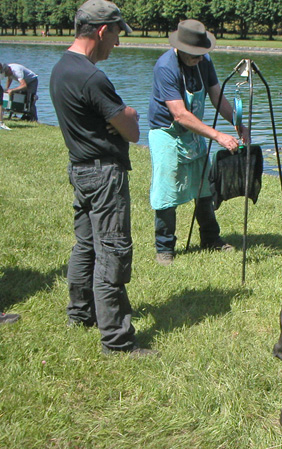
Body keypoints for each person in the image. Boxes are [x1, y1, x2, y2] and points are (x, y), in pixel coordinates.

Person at [50, 0, 155, 356]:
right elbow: (132, 132)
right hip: (103, 173)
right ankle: (117, 340)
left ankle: (80, 313)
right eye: (116, 34)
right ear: (100, 31)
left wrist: (120, 114)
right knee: (112, 250)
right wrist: (127, 114)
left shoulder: (62, 68)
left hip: (79, 169)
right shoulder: (92, 77)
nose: (118, 43)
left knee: (85, 246)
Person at [148, 19, 247, 266]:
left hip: (194, 131)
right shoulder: (165, 67)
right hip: (167, 133)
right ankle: (165, 248)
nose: (199, 59)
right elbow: (180, 114)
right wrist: (217, 135)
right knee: (167, 192)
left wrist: (237, 124)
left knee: (203, 188)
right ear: (180, 49)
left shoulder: (204, 61)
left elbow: (216, 97)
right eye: (194, 55)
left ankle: (211, 239)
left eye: (202, 54)